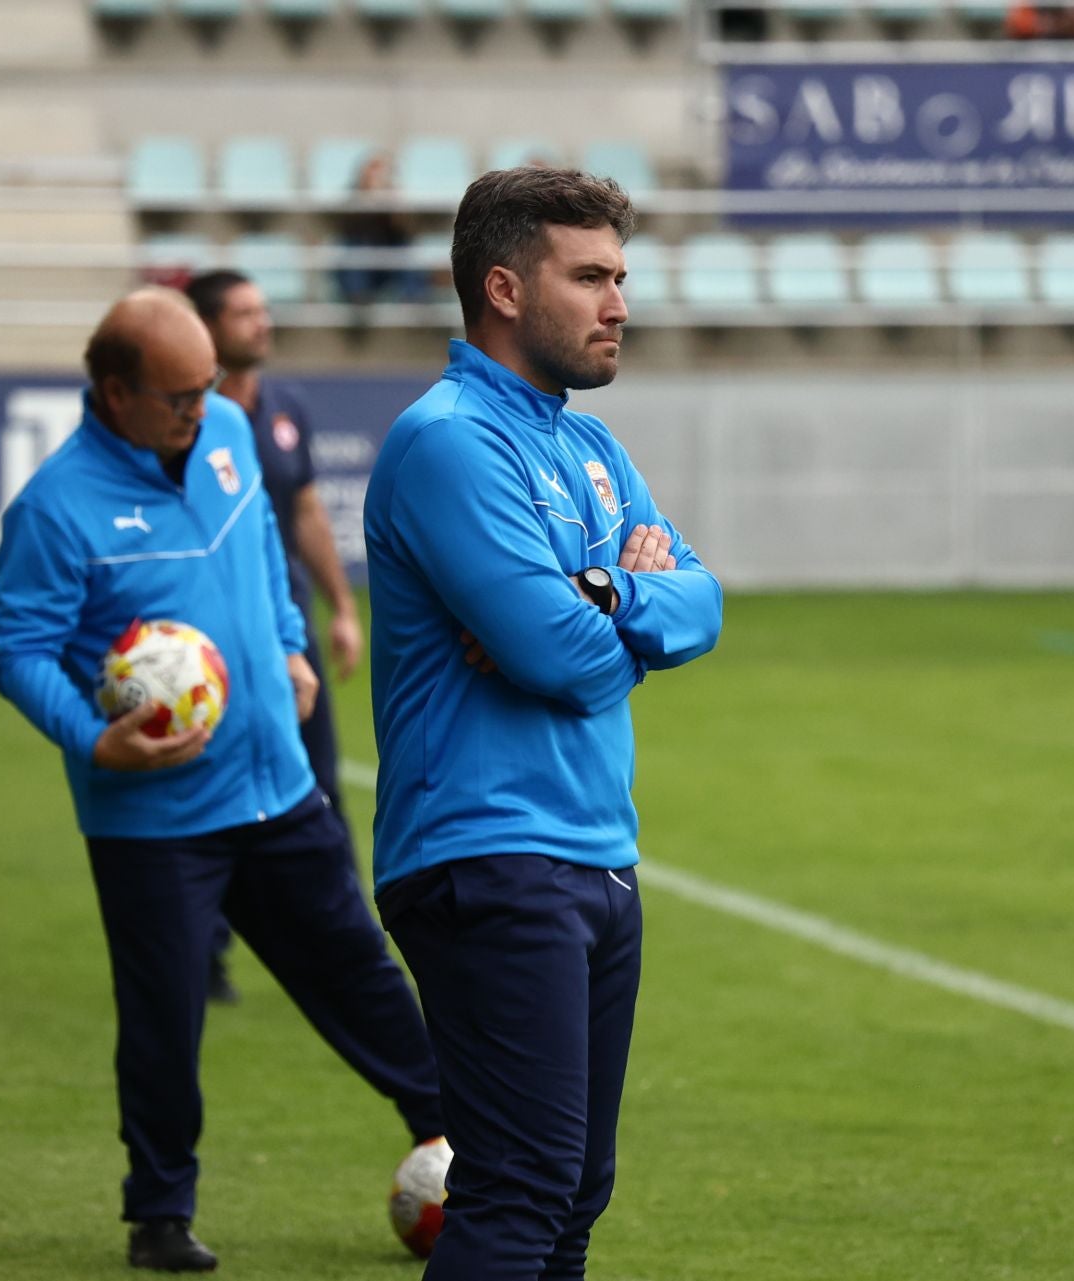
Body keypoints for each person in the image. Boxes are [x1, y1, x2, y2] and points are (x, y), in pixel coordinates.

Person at [0, 288, 446, 1271]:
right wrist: (90, 738)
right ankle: (159, 1215)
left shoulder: (233, 427)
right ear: (115, 393)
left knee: (359, 973)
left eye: (208, 388)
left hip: (278, 785)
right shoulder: (56, 507)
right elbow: (16, 648)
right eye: (181, 395)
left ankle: (463, 1141)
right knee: (164, 1017)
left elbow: (266, 564)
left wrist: (290, 645)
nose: (206, 406)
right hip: (152, 821)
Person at [363, 168, 722, 1278]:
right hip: (485, 853)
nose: (620, 303)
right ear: (506, 288)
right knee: (519, 1190)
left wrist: (607, 593)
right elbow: (559, 660)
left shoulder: (591, 447)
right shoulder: (451, 441)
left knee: (571, 1195)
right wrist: (609, 612)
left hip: (592, 855)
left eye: (620, 276)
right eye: (592, 277)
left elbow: (703, 604)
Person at [184, 269, 362, 1005]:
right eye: (245, 313)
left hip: (286, 634)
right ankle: (204, 953)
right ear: (206, 328)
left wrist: (343, 607)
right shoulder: (183, 416)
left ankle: (343, 948)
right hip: (208, 644)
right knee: (214, 792)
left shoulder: (288, 406)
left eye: (265, 310)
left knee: (319, 788)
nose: (263, 323)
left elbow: (309, 513)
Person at [335, 151, 427, 308]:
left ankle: (413, 299)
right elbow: (345, 227)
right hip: (363, 263)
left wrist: (390, 205)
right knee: (355, 250)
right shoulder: (352, 196)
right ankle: (358, 298)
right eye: (372, 172)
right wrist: (368, 201)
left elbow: (407, 230)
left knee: (404, 250)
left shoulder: (395, 196)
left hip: (389, 262)